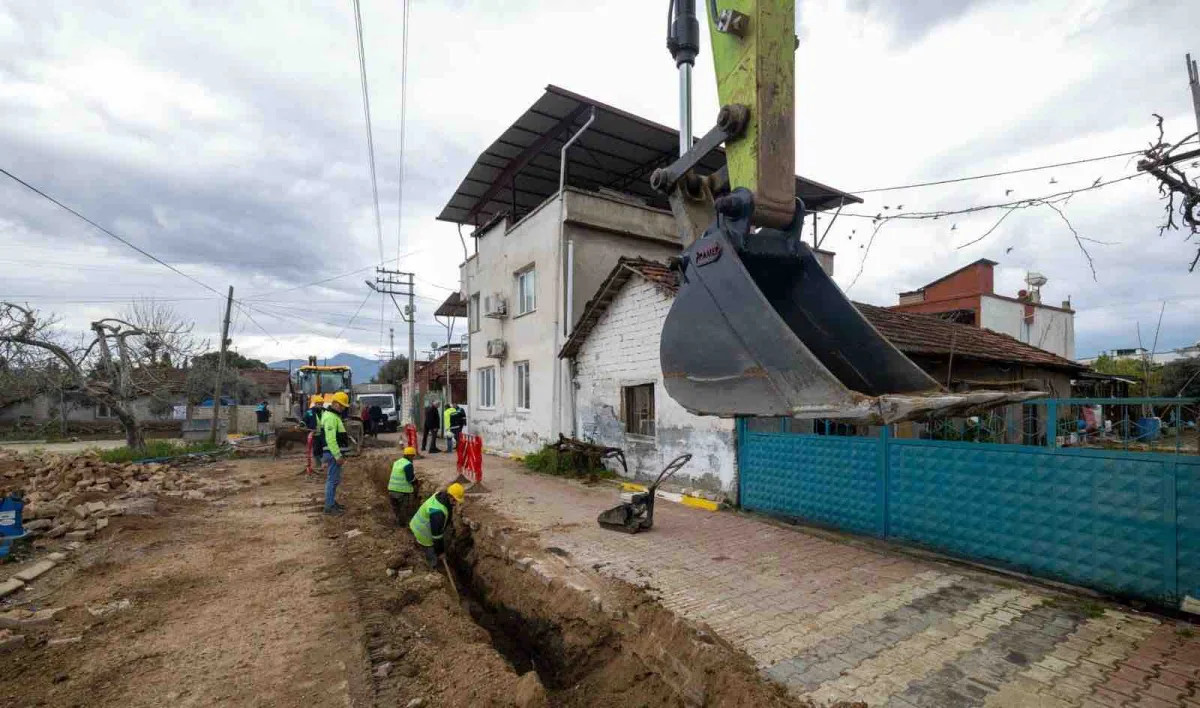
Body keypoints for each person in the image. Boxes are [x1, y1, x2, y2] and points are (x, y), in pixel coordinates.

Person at [409, 482, 465, 569]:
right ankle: (433, 569)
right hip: (422, 533)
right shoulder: (438, 513)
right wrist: (440, 552)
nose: (456, 503)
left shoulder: (440, 495)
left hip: (420, 524)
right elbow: (436, 537)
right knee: (431, 554)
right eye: (455, 500)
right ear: (450, 496)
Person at [321, 391, 351, 515]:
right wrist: (337, 455)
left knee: (334, 480)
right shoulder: (330, 417)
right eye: (342, 405)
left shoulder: (333, 416)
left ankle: (331, 503)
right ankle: (329, 506)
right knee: (332, 480)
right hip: (333, 453)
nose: (343, 408)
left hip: (333, 452)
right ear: (335, 404)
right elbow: (331, 439)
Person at [387, 446, 419, 526]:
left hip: (391, 490)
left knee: (396, 508)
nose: (413, 458)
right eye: (413, 456)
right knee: (403, 509)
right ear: (410, 456)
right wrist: (416, 482)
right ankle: (402, 525)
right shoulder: (408, 464)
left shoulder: (397, 462)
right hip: (402, 492)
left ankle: (397, 521)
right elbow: (410, 479)